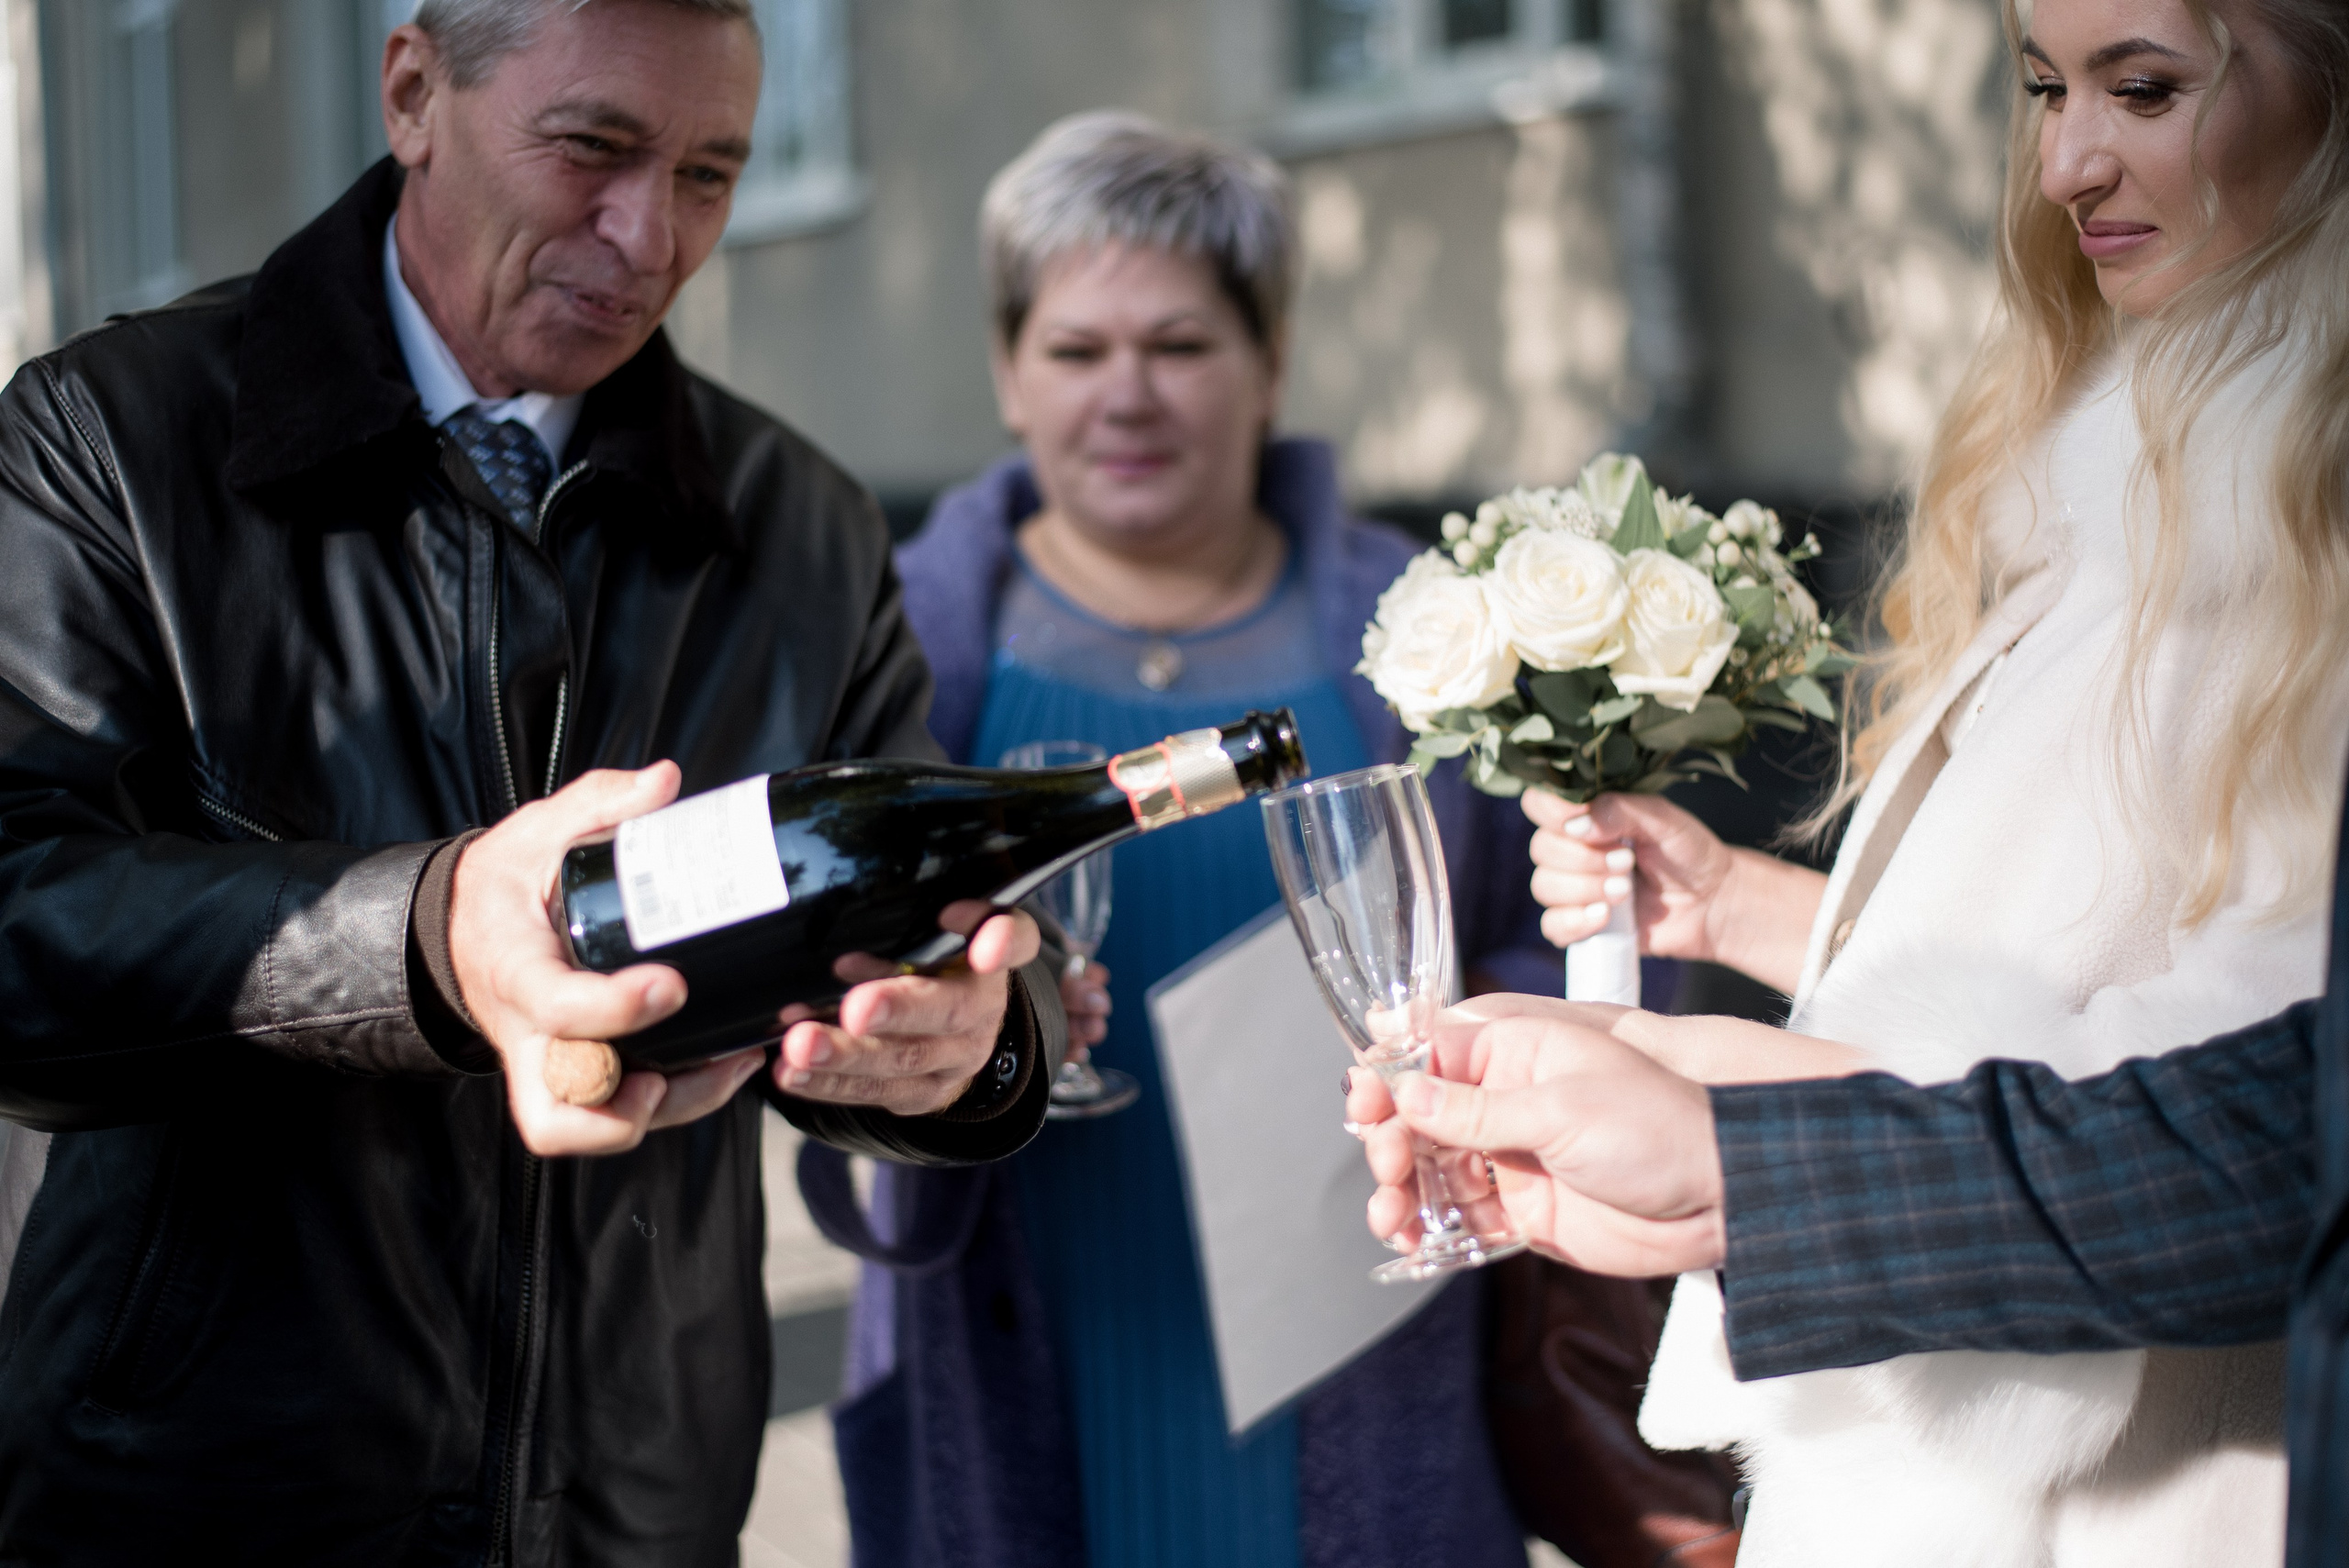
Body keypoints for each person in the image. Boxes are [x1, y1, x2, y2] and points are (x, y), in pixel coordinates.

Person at [0, 2, 1063, 1561]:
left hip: (633, 1519)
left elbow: (929, 936)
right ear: (413, 93)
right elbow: (21, 925)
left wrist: (967, 1048)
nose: (650, 236)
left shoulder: (805, 525)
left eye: (708, 174)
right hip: (191, 1509)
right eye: (593, 148)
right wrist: (433, 936)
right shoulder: (107, 438)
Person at [1395, 0, 2349, 1562]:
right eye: (2045, 87)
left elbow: (2245, 1130)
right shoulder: (2126, 467)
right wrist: (1745, 907)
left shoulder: (2306, 526)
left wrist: (1718, 1121)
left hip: (2139, 1493)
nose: (2066, 163)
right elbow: (2081, 941)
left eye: (2144, 88)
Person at [796, 113, 1553, 1568]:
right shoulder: (898, 644)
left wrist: (1480, 1060)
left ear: (1270, 362)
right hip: (1023, 1318)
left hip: (1367, 1334)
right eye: (1077, 349)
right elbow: (815, 1004)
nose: (1126, 394)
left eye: (1182, 344)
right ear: (1009, 373)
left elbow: (1552, 935)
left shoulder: (1430, 632)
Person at [1340, 783, 2343, 1562]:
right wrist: (1740, 914)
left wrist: (1740, 1165)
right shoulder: (2057, 586)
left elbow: (2265, 1132)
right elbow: (2036, 946)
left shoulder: (2292, 628)